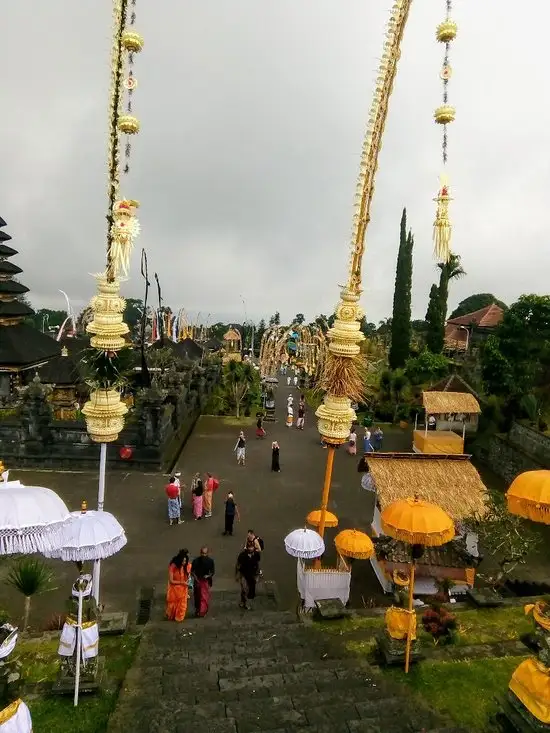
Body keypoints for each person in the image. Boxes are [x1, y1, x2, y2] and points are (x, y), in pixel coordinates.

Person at [165, 548, 191, 622]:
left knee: (182, 606)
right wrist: (182, 583)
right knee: (173, 605)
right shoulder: (173, 566)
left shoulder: (186, 566)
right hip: (174, 590)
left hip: (183, 590)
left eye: (185, 561)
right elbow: (171, 581)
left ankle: (179, 617)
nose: (184, 562)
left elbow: (187, 576)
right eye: (183, 561)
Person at [191, 546, 215, 618]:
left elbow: (212, 572)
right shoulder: (196, 561)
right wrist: (196, 578)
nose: (203, 555)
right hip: (197, 580)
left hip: (205, 581)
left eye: (205, 553)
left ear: (207, 553)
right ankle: (198, 609)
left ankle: (203, 611)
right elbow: (192, 571)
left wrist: (208, 576)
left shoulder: (210, 561)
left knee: (204, 597)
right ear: (200, 553)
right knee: (197, 596)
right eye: (202, 553)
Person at [236, 545, 260, 610]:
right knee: (245, 589)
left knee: (251, 589)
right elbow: (238, 565)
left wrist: (258, 574)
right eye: (249, 547)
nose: (251, 548)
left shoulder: (256, 555)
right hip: (244, 574)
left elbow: (257, 564)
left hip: (252, 575)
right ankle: (245, 603)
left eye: (252, 547)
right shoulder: (242, 555)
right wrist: (237, 575)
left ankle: (244, 601)